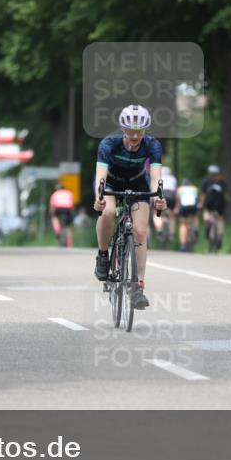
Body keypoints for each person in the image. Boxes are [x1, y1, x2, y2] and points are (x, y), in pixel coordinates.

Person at [93, 104, 166, 309]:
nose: (135, 136)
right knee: (107, 211)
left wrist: (158, 198)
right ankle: (103, 254)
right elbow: (101, 176)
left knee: (141, 230)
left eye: (139, 132)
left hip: (137, 182)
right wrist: (99, 197)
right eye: (131, 131)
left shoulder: (153, 145)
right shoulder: (109, 143)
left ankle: (137, 288)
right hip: (111, 182)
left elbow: (155, 179)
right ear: (123, 129)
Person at [200, 165, 226, 251]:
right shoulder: (221, 180)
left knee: (207, 213)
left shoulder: (205, 180)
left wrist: (201, 204)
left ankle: (208, 224)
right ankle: (220, 236)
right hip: (220, 203)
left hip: (209, 203)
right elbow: (224, 193)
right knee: (220, 219)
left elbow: (203, 194)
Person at [153, 165, 178, 246]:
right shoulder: (173, 179)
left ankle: (159, 229)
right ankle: (171, 234)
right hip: (171, 196)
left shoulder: (159, 178)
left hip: (162, 195)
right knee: (171, 216)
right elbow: (176, 192)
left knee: (156, 213)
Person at [175, 178, 199, 252]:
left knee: (183, 224)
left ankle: (183, 244)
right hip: (193, 206)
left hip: (184, 206)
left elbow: (178, 201)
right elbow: (196, 199)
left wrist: (177, 208)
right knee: (195, 217)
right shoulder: (194, 188)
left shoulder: (180, 189)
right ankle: (195, 227)